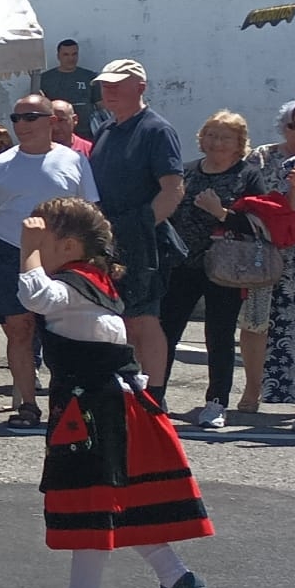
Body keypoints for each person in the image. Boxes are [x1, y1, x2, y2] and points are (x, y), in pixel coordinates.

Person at [17, 199, 211, 588]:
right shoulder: (97, 285)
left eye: (45, 239)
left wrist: (27, 251)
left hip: (91, 410)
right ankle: (170, 577)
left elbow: (35, 296)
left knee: (91, 503)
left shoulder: (71, 287)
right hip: (106, 404)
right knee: (107, 502)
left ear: (69, 246)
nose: (37, 244)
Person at [0, 93, 99, 429]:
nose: (22, 125)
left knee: (63, 332)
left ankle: (66, 404)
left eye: (30, 117)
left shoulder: (74, 160)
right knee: (19, 330)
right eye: (16, 118)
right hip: (9, 253)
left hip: (61, 258)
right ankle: (27, 404)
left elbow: (90, 213)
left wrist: (89, 261)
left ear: (51, 121)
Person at [155, 111, 266, 425]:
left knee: (219, 335)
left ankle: (216, 403)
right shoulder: (186, 172)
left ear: (239, 143)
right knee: (166, 330)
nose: (217, 143)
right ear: (201, 139)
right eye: (211, 135)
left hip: (226, 268)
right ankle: (155, 394)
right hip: (182, 264)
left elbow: (257, 223)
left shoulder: (248, 176)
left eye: (225, 137)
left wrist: (221, 213)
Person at [88, 60, 186, 386]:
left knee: (143, 319)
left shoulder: (156, 130)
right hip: (108, 241)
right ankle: (130, 390)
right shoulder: (105, 130)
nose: (109, 90)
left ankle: (154, 394)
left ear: (140, 87)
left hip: (143, 242)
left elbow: (173, 190)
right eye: (106, 84)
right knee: (119, 320)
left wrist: (139, 229)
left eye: (118, 84)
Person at [244, 101, 295, 421]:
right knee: (257, 321)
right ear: (287, 125)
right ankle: (252, 389)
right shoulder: (263, 157)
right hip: (266, 252)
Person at [39, 40, 98, 136]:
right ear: (58, 56)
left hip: (87, 132)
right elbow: (41, 108)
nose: (71, 58)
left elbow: (101, 105)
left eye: (74, 54)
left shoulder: (89, 76)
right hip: (57, 133)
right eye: (66, 55)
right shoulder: (45, 79)